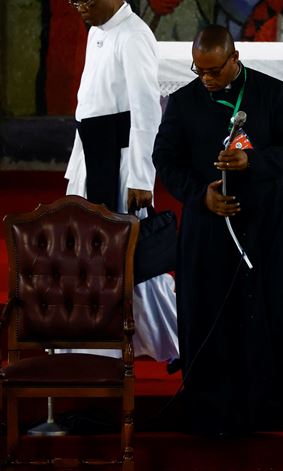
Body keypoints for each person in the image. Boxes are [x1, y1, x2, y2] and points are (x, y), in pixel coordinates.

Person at [151, 25, 283, 435]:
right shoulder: (183, 102)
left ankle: (267, 409)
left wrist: (252, 164)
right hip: (207, 228)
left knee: (269, 310)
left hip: (264, 225)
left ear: (235, 58)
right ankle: (209, 411)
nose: (206, 79)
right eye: (199, 70)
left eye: (214, 71)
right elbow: (165, 159)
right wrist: (199, 196)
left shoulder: (272, 93)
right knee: (208, 315)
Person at [63, 0, 178, 363]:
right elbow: (89, 108)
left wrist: (143, 176)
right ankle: (93, 347)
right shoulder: (97, 31)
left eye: (86, 0)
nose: (79, 7)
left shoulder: (133, 36)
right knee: (92, 252)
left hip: (121, 164)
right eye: (74, 0)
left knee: (134, 258)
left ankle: (177, 342)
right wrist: (75, 170)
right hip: (93, 159)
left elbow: (147, 108)